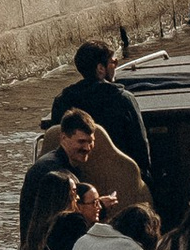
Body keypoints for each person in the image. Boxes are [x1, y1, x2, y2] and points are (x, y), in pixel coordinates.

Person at [45, 41, 152, 177]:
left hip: (77, 179)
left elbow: (56, 143)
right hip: (120, 179)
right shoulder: (124, 99)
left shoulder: (62, 101)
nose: (115, 65)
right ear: (101, 68)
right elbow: (141, 150)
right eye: (113, 62)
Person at [16, 161, 88, 250]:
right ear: (63, 195)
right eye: (73, 191)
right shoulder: (74, 221)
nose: (77, 197)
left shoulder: (38, 222)